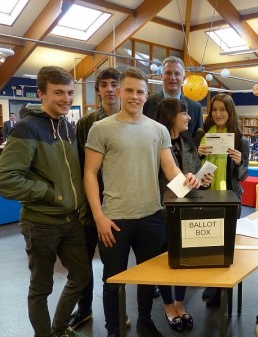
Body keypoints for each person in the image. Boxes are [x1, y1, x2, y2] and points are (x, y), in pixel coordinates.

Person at [84, 67, 200, 337]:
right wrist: (99, 217)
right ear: (119, 92)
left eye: (139, 91)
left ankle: (145, 322)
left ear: (147, 95)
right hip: (114, 218)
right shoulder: (101, 129)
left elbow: (170, 170)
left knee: (149, 278)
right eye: (129, 90)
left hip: (151, 216)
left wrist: (189, 183)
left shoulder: (158, 130)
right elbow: (89, 173)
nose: (134, 96)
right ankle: (114, 330)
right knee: (113, 281)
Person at [0, 66, 90, 337]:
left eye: (70, 93)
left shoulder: (66, 126)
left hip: (71, 221)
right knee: (41, 288)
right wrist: (51, 194)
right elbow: (3, 180)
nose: (66, 99)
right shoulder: (27, 127)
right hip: (41, 224)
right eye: (58, 93)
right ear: (41, 94)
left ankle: (59, 329)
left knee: (81, 276)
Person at [68, 67, 122, 330]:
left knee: (117, 265)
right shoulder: (86, 123)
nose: (110, 89)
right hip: (92, 206)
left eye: (115, 84)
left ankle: (117, 311)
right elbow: (82, 166)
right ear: (98, 89)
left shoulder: (134, 118)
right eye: (105, 85)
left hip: (123, 204)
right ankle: (85, 309)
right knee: (84, 262)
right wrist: (88, 206)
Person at [155, 98, 213, 332]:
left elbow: (194, 180)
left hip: (186, 210)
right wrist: (190, 183)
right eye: (184, 114)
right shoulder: (157, 144)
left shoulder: (188, 141)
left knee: (182, 260)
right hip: (162, 211)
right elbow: (166, 180)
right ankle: (168, 306)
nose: (189, 118)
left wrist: (203, 181)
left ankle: (180, 304)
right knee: (165, 262)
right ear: (171, 116)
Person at [196, 93, 249, 307]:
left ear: (230, 112)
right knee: (209, 242)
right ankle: (212, 283)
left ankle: (221, 288)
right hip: (206, 196)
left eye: (223, 110)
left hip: (230, 198)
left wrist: (239, 162)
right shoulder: (201, 134)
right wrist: (197, 154)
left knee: (225, 244)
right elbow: (190, 169)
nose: (218, 114)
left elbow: (244, 176)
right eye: (215, 109)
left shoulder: (239, 138)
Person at [143, 56, 203, 138]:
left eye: (177, 73)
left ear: (183, 78)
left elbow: (199, 140)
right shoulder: (147, 103)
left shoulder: (195, 108)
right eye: (168, 73)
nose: (172, 77)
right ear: (161, 76)